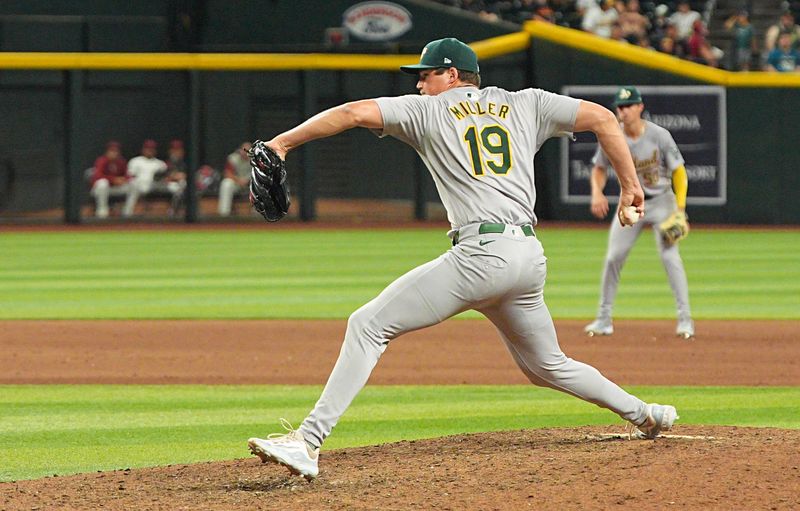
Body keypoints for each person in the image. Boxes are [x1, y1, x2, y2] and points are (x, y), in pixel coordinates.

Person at [246, 38, 678, 481]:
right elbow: (605, 119)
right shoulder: (527, 103)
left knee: (368, 325)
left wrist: (282, 143)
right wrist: (630, 187)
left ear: (452, 76)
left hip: (480, 256)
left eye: (426, 74)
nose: (418, 83)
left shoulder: (428, 111)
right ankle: (646, 413)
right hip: (528, 257)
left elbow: (352, 113)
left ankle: (307, 442)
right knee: (548, 366)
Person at [584, 86, 694, 340]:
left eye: (628, 105)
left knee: (670, 258)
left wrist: (680, 209)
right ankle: (603, 319)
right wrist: (596, 193)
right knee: (614, 257)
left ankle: (685, 320)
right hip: (631, 203)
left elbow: (679, 172)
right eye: (619, 107)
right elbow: (599, 168)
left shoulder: (659, 135)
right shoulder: (613, 135)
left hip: (662, 201)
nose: (622, 111)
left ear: (640, 107)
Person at [123, 139, 169, 217]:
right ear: (143, 149)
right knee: (134, 185)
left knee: (176, 187)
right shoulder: (135, 161)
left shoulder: (160, 163)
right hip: (139, 185)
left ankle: (174, 212)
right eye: (147, 148)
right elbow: (130, 176)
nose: (149, 151)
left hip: (155, 185)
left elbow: (165, 176)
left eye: (152, 149)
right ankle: (127, 212)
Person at [89, 140, 129, 219]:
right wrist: (113, 179)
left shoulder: (121, 162)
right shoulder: (101, 161)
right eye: (112, 151)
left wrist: (124, 179)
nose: (114, 153)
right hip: (99, 190)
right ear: (107, 152)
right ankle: (102, 211)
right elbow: (97, 176)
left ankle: (127, 212)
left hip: (115, 189)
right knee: (103, 183)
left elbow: (128, 175)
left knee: (134, 185)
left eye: (116, 151)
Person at [217, 141, 252, 216]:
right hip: (236, 183)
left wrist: (249, 181)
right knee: (226, 183)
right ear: (240, 150)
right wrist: (239, 181)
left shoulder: (256, 159)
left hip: (251, 184)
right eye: (244, 150)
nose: (246, 152)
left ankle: (259, 215)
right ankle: (224, 214)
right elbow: (227, 173)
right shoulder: (233, 158)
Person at [162, 139, 189, 216]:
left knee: (183, 186)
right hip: (167, 184)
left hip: (180, 184)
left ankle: (177, 209)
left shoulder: (185, 164)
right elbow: (161, 177)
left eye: (178, 150)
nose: (177, 152)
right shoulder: (165, 163)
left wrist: (182, 176)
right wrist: (172, 177)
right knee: (178, 188)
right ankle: (174, 210)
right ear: (170, 151)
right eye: (174, 150)